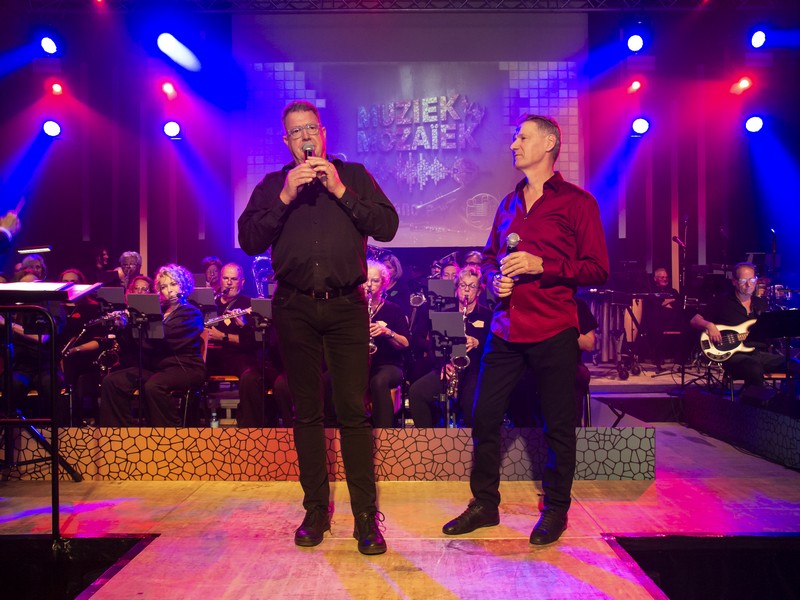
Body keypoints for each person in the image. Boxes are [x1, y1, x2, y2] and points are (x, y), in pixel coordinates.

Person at [238, 100, 398, 555]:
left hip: (347, 306)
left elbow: (387, 226)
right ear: (286, 141)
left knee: (352, 411)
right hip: (294, 307)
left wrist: (341, 191)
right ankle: (315, 510)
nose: (306, 137)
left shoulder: (356, 176)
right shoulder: (274, 186)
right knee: (306, 412)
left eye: (311, 128)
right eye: (296, 131)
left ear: (324, 134)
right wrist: (285, 198)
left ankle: (365, 516)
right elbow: (248, 239)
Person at [442, 114, 609, 546]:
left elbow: (597, 268)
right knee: (482, 415)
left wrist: (543, 265)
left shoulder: (578, 203)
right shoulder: (507, 203)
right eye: (515, 137)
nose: (514, 144)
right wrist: (494, 279)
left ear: (549, 143)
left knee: (558, 424)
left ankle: (556, 509)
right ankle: (484, 504)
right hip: (506, 327)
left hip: (553, 327)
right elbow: (490, 257)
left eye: (522, 137)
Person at [99, 263, 205, 427]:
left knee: (154, 386)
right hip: (157, 368)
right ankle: (118, 434)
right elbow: (135, 346)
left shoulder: (191, 313)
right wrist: (123, 326)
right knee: (112, 381)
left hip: (185, 367)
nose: (169, 290)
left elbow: (166, 339)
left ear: (183, 285)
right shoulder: (159, 311)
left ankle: (168, 433)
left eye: (173, 284)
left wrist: (139, 323)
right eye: (163, 287)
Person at [689, 262, 798, 399]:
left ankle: (787, 404)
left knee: (794, 364)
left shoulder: (760, 304)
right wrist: (709, 326)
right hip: (734, 356)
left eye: (752, 280)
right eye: (743, 280)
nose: (748, 284)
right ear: (734, 281)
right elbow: (694, 320)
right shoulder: (722, 302)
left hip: (758, 354)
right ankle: (755, 407)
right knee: (753, 367)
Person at [408, 265, 491, 427]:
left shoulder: (487, 315)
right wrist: (443, 365)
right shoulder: (446, 313)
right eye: (463, 285)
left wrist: (478, 343)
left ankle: (472, 441)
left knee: (470, 403)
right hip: (449, 368)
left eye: (472, 286)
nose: (466, 290)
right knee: (417, 392)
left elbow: (494, 348)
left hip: (475, 370)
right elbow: (434, 347)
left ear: (478, 291)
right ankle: (428, 438)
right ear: (457, 288)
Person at [205, 262, 283, 427]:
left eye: (234, 279)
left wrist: (225, 336)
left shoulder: (249, 305)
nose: (229, 283)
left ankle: (250, 429)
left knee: (251, 378)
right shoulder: (210, 303)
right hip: (212, 356)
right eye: (225, 278)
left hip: (239, 357)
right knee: (190, 372)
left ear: (242, 282)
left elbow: (254, 342)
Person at [363, 260, 409, 427]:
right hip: (359, 363)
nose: (369, 285)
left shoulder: (393, 309)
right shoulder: (353, 309)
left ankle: (384, 433)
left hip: (388, 364)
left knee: (378, 381)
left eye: (375, 281)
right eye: (366, 280)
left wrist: (387, 332)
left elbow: (405, 343)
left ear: (383, 284)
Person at [643, 267, 684, 372]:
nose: (665, 279)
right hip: (657, 320)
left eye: (666, 277)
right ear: (655, 279)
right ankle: (658, 357)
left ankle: (680, 358)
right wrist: (669, 302)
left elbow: (678, 306)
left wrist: (664, 303)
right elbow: (654, 307)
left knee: (684, 322)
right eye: (662, 277)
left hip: (672, 320)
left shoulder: (673, 291)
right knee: (654, 325)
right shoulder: (651, 291)